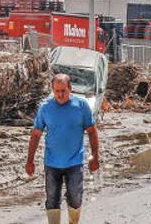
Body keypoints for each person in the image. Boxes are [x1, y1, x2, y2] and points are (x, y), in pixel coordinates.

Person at [25, 73, 100, 224]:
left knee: (75, 197)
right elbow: (35, 135)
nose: (60, 94)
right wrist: (30, 160)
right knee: (52, 199)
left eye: (63, 91)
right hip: (52, 163)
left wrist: (95, 156)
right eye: (57, 91)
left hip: (75, 162)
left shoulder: (81, 106)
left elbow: (92, 131)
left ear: (70, 89)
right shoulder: (45, 108)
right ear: (52, 90)